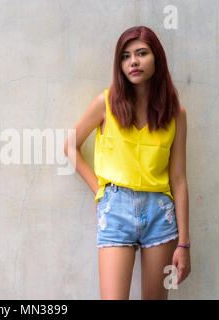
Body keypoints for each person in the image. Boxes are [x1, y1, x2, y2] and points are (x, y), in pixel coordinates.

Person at [64, 26, 191, 299]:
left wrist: (184, 244)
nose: (133, 61)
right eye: (125, 56)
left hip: (160, 214)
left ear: (157, 58)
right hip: (116, 209)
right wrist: (100, 191)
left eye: (141, 53)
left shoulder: (175, 113)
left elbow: (179, 179)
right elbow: (70, 146)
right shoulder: (106, 103)